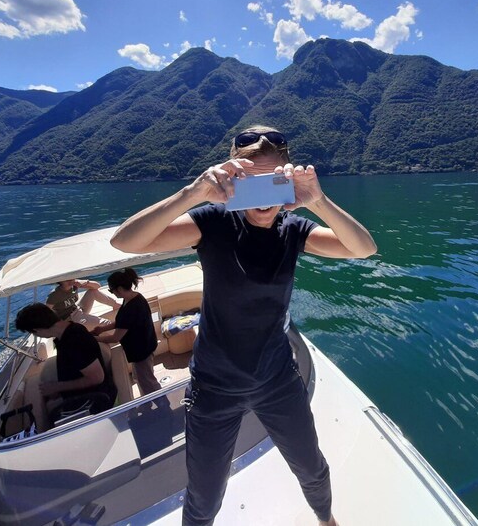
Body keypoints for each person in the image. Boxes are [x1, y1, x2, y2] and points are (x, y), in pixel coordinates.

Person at [110, 125, 377, 526]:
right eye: (249, 181)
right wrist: (195, 192)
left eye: (272, 181)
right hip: (213, 389)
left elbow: (363, 249)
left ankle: (327, 521)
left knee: (312, 470)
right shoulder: (212, 224)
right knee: (204, 497)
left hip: (278, 380)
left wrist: (317, 201)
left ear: (286, 180)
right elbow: (125, 242)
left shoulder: (294, 231)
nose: (263, 197)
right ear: (232, 178)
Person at [15, 303, 117, 428]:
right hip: (84, 396)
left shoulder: (74, 340)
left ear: (36, 330)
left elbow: (97, 377)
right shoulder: (68, 332)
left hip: (95, 401)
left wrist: (57, 387)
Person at [92, 268, 164, 399]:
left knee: (149, 383)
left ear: (119, 288)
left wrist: (95, 339)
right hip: (146, 344)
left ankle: (164, 408)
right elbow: (122, 323)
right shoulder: (134, 298)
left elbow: (116, 337)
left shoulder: (130, 308)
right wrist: (102, 329)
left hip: (141, 351)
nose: (112, 293)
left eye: (111, 290)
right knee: (140, 378)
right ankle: (148, 404)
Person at [46, 278, 119, 330]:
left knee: (92, 292)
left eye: (71, 277)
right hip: (71, 319)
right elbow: (46, 312)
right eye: (66, 279)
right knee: (105, 323)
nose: (70, 280)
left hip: (78, 310)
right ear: (60, 281)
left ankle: (116, 305)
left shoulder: (75, 285)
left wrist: (85, 282)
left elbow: (97, 286)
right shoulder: (55, 295)